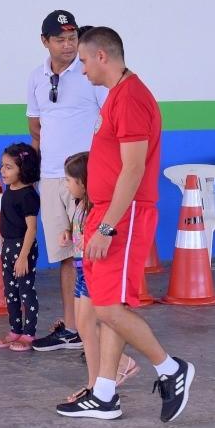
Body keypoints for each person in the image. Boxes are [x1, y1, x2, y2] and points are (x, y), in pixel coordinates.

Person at [56, 26, 194, 423]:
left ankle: (170, 369)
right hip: (108, 211)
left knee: (107, 307)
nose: (81, 69)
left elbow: (133, 169)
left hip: (125, 214)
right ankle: (103, 394)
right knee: (110, 304)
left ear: (102, 56)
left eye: (83, 60)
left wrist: (107, 227)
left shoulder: (132, 97)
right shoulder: (117, 95)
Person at [27, 9, 108, 353]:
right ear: (45, 41)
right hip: (49, 178)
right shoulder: (36, 77)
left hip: (85, 179)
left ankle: (100, 327)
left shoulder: (90, 74)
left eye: (72, 38)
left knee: (91, 254)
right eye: (59, 39)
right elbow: (35, 127)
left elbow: (108, 123)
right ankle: (72, 328)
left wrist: (98, 174)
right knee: (64, 256)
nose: (67, 44)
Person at [58, 152, 138, 403]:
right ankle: (96, 380)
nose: (66, 185)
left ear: (84, 182)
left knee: (94, 325)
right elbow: (80, 231)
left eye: (69, 180)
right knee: (83, 326)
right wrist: (69, 234)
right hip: (83, 270)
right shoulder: (80, 206)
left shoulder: (100, 208)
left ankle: (107, 375)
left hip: (94, 271)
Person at [0, 142, 41, 349]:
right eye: (2, 166)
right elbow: (7, 216)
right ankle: (15, 330)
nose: (2, 171)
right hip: (8, 247)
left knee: (25, 291)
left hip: (23, 248)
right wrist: (2, 236)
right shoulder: (8, 190)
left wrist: (23, 256)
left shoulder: (28, 195)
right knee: (10, 291)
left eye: (9, 167)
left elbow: (31, 229)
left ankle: (29, 334)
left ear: (23, 169)